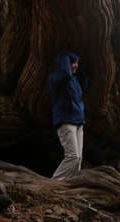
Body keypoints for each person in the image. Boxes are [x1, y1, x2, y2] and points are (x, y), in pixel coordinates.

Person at [49, 51, 87, 179]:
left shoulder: (75, 81)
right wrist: (63, 55)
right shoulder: (56, 77)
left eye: (77, 63)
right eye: (73, 62)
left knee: (79, 159)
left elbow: (84, 88)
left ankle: (70, 190)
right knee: (73, 156)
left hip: (78, 122)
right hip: (65, 121)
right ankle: (53, 184)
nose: (76, 65)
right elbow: (66, 73)